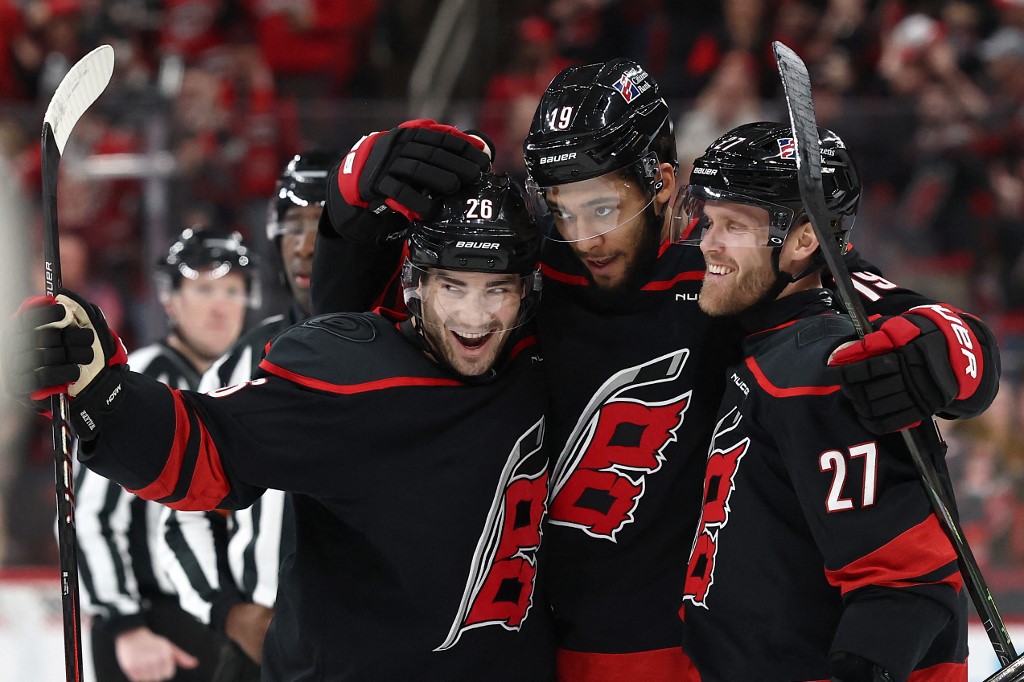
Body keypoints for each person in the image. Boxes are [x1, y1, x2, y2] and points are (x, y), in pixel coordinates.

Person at [308, 59, 1001, 681]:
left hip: (693, 653)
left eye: (603, 208)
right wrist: (350, 218)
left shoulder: (723, 275)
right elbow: (354, 338)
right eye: (562, 210)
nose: (585, 239)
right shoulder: (519, 280)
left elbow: (856, 298)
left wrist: (950, 345)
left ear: (663, 183)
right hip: (533, 644)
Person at [6, 173, 556, 681]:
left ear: (528, 291)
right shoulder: (347, 371)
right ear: (416, 283)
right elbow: (206, 449)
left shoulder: (550, 359)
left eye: (497, 289)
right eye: (453, 287)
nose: (474, 317)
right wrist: (102, 395)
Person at [675, 122, 971, 679]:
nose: (708, 242)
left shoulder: (822, 370)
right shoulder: (763, 346)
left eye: (734, 226)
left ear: (805, 240)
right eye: (710, 221)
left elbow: (908, 584)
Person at [157, 150, 335, 681]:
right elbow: (183, 510)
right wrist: (228, 612)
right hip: (255, 652)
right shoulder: (237, 364)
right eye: (292, 227)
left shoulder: (409, 354)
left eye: (324, 225)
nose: (304, 247)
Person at [76, 227, 259, 682]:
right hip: (151, 628)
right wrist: (125, 625)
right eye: (203, 289)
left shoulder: (248, 379)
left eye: (233, 289)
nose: (221, 305)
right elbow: (91, 513)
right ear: (170, 301)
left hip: (216, 622)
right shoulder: (139, 379)